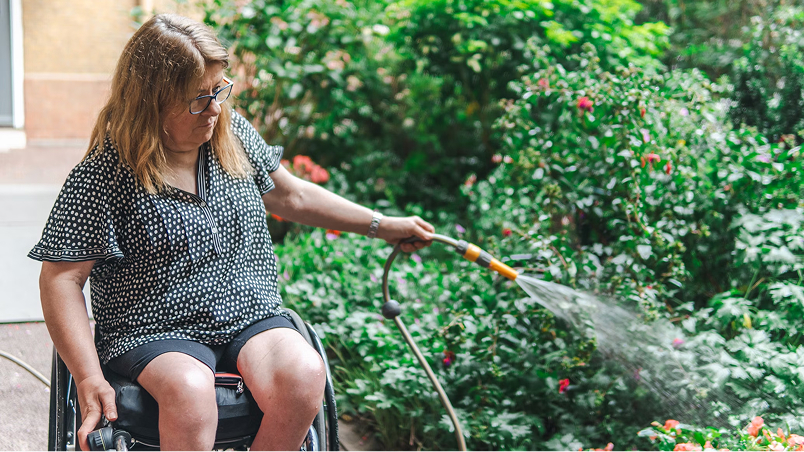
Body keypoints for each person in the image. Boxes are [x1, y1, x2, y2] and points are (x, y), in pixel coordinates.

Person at [29, 13, 434, 451]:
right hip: (154, 328)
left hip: (249, 314)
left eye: (218, 90)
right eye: (197, 99)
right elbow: (61, 279)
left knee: (304, 374)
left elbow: (291, 196)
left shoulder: (231, 134)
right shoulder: (106, 173)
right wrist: (88, 378)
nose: (215, 109)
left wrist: (382, 225)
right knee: (190, 392)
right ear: (151, 101)